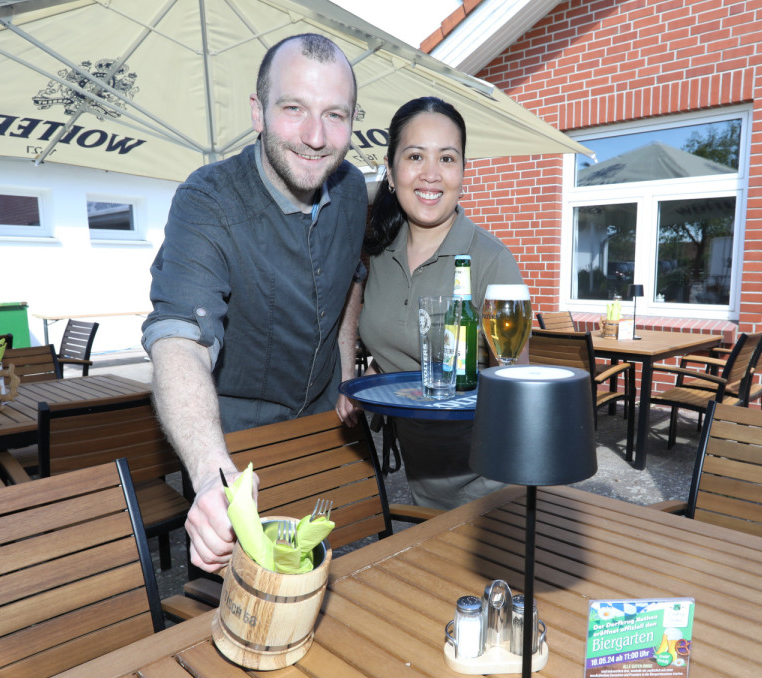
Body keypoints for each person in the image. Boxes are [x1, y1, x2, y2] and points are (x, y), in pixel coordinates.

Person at [141, 34, 365, 573]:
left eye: (335, 115)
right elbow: (179, 340)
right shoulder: (207, 200)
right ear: (257, 112)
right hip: (236, 456)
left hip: (322, 437)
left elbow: (352, 277)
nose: (316, 137)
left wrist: (347, 370)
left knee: (327, 581)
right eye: (294, 109)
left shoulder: (353, 189)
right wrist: (211, 477)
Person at [359, 97, 525, 510]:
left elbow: (518, 387)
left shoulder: (491, 260)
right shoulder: (378, 253)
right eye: (415, 156)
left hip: (493, 483)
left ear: (463, 173)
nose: (431, 174)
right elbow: (396, 343)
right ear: (391, 171)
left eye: (447, 158)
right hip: (421, 480)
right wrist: (367, 378)